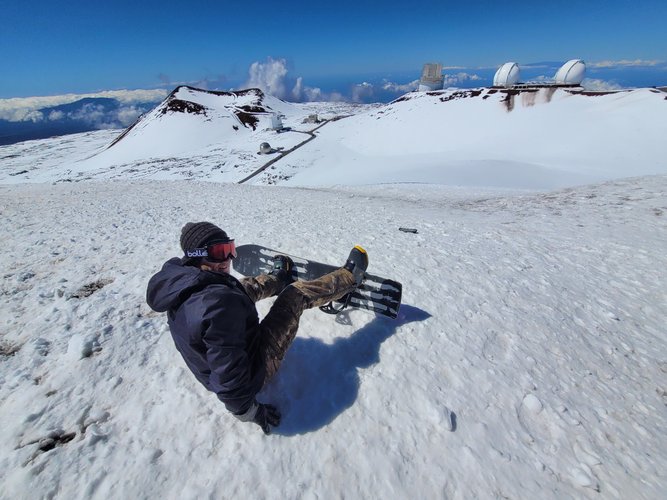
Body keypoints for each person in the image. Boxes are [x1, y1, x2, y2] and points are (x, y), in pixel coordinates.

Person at [146, 221, 368, 434]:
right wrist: (249, 412)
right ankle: (349, 278)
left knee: (239, 288)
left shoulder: (183, 282)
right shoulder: (217, 306)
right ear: (196, 257)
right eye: (218, 252)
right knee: (295, 295)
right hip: (257, 369)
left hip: (230, 349)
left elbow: (219, 308)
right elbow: (229, 379)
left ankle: (277, 279)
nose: (228, 259)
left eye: (229, 249)